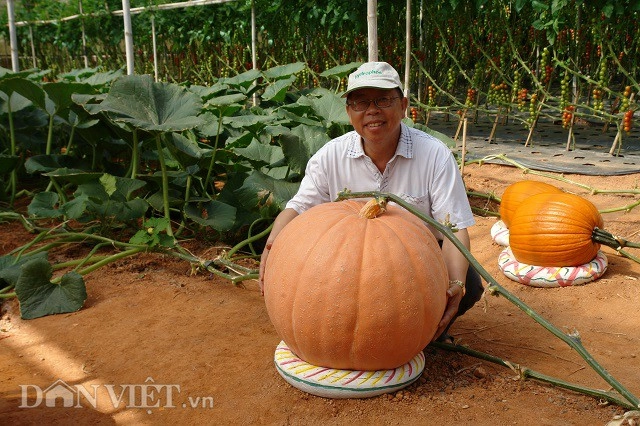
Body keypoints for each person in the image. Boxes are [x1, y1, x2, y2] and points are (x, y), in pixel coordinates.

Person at [258, 61, 483, 343]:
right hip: (346, 259)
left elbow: (454, 228)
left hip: (418, 256)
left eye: (383, 100)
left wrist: (456, 284)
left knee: (470, 284)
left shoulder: (434, 155)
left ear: (403, 105)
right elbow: (298, 208)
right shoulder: (330, 156)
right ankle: (351, 341)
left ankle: (424, 333)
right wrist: (272, 246)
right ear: (349, 112)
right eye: (361, 103)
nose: (372, 110)